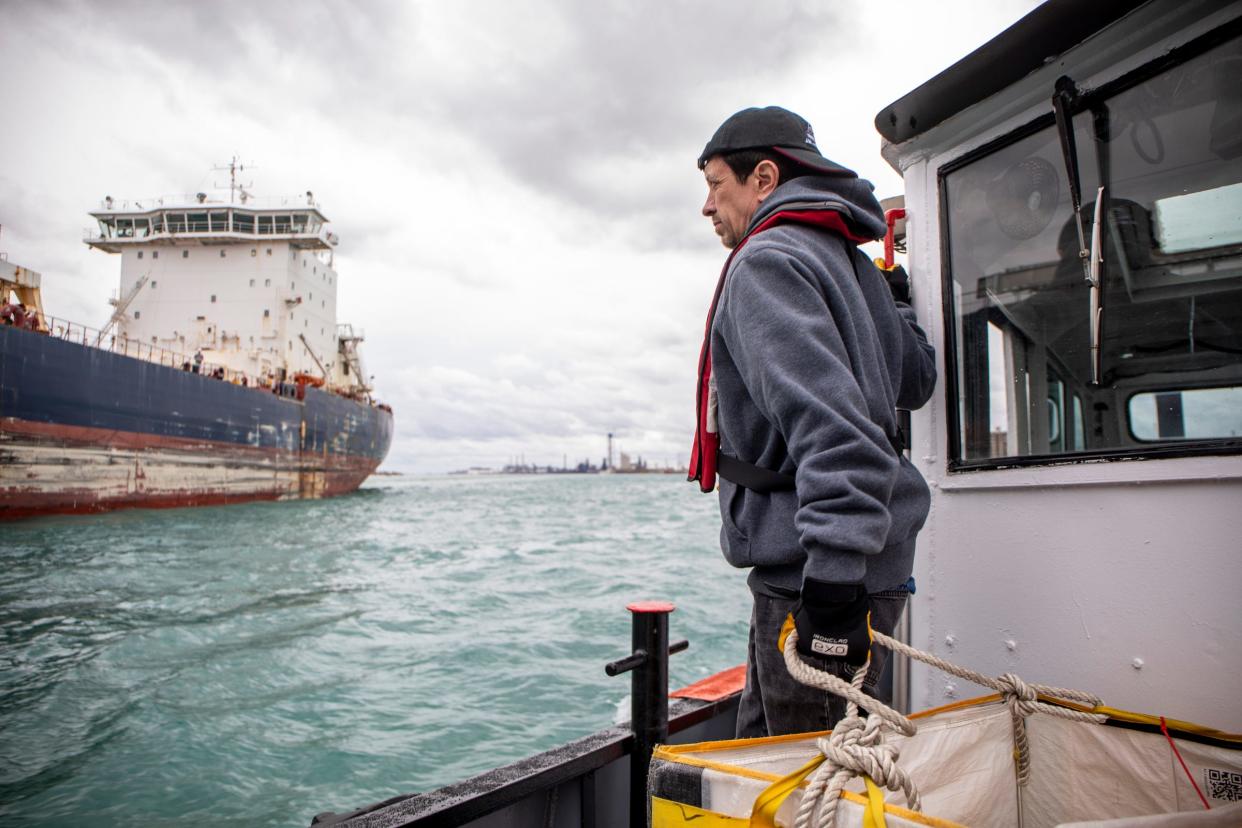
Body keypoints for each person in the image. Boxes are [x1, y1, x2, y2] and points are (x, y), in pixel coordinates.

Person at [688, 106, 936, 738]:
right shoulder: (853, 266)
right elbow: (917, 379)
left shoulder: (767, 262)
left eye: (717, 185)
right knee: (765, 760)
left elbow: (836, 435)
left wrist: (830, 586)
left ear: (763, 178)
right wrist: (898, 305)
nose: (708, 206)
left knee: (806, 784)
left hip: (818, 577)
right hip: (853, 568)